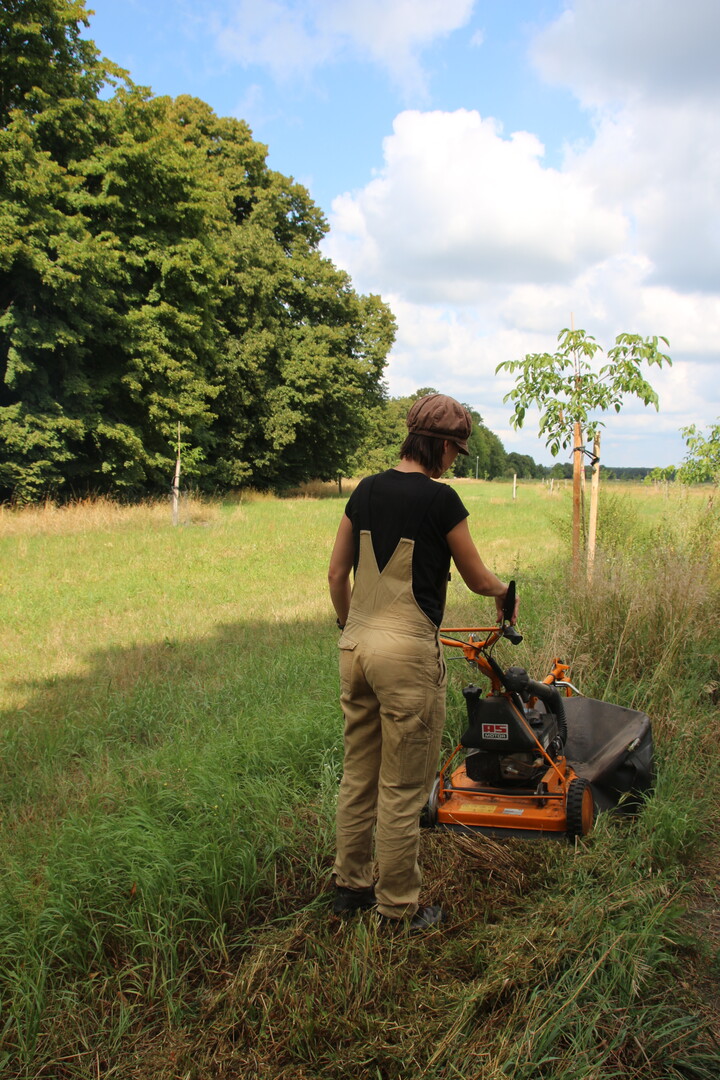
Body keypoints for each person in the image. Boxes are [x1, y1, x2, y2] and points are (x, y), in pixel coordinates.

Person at [327, 392, 517, 930]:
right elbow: (478, 579)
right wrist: (504, 592)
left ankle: (351, 886)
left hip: (356, 649)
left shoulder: (364, 491)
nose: (454, 458)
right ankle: (399, 907)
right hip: (407, 656)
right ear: (437, 445)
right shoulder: (442, 501)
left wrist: (350, 626)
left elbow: (337, 575)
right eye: (454, 448)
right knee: (404, 786)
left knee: (359, 774)